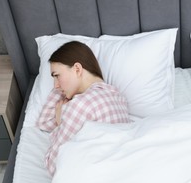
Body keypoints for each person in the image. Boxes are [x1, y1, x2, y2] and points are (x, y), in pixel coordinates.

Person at [37, 41, 131, 176]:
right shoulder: (118, 97)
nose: (55, 85)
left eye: (57, 75)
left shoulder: (79, 105)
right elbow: (44, 123)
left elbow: (53, 166)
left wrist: (60, 123)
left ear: (77, 69)